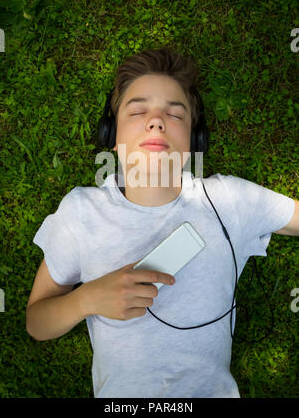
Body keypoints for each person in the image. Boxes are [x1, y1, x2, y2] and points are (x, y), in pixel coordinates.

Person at [26, 47, 298, 398]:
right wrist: (86, 299)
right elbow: (37, 322)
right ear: (112, 135)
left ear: (194, 140)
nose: (156, 121)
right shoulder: (81, 212)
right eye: (138, 110)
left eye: (175, 114)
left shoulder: (230, 201)